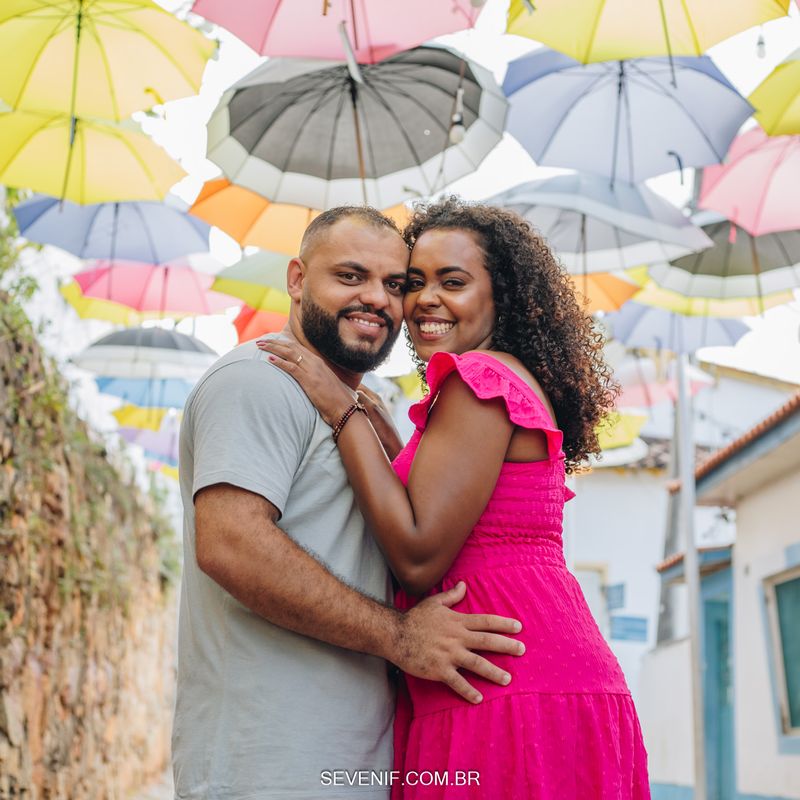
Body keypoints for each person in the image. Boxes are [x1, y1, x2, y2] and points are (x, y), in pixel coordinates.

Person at [258, 198, 651, 799]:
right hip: (520, 672)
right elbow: (458, 511)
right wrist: (385, 440)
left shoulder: (479, 380)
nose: (425, 299)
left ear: (501, 297)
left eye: (453, 282)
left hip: (505, 685)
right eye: (414, 282)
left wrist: (342, 411)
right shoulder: (496, 380)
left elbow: (419, 556)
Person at [172, 206, 525, 800]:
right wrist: (400, 636)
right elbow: (230, 543)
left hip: (352, 763)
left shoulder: (360, 407)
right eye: (351, 276)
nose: (377, 300)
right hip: (267, 765)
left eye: (395, 284)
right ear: (296, 279)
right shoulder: (258, 380)